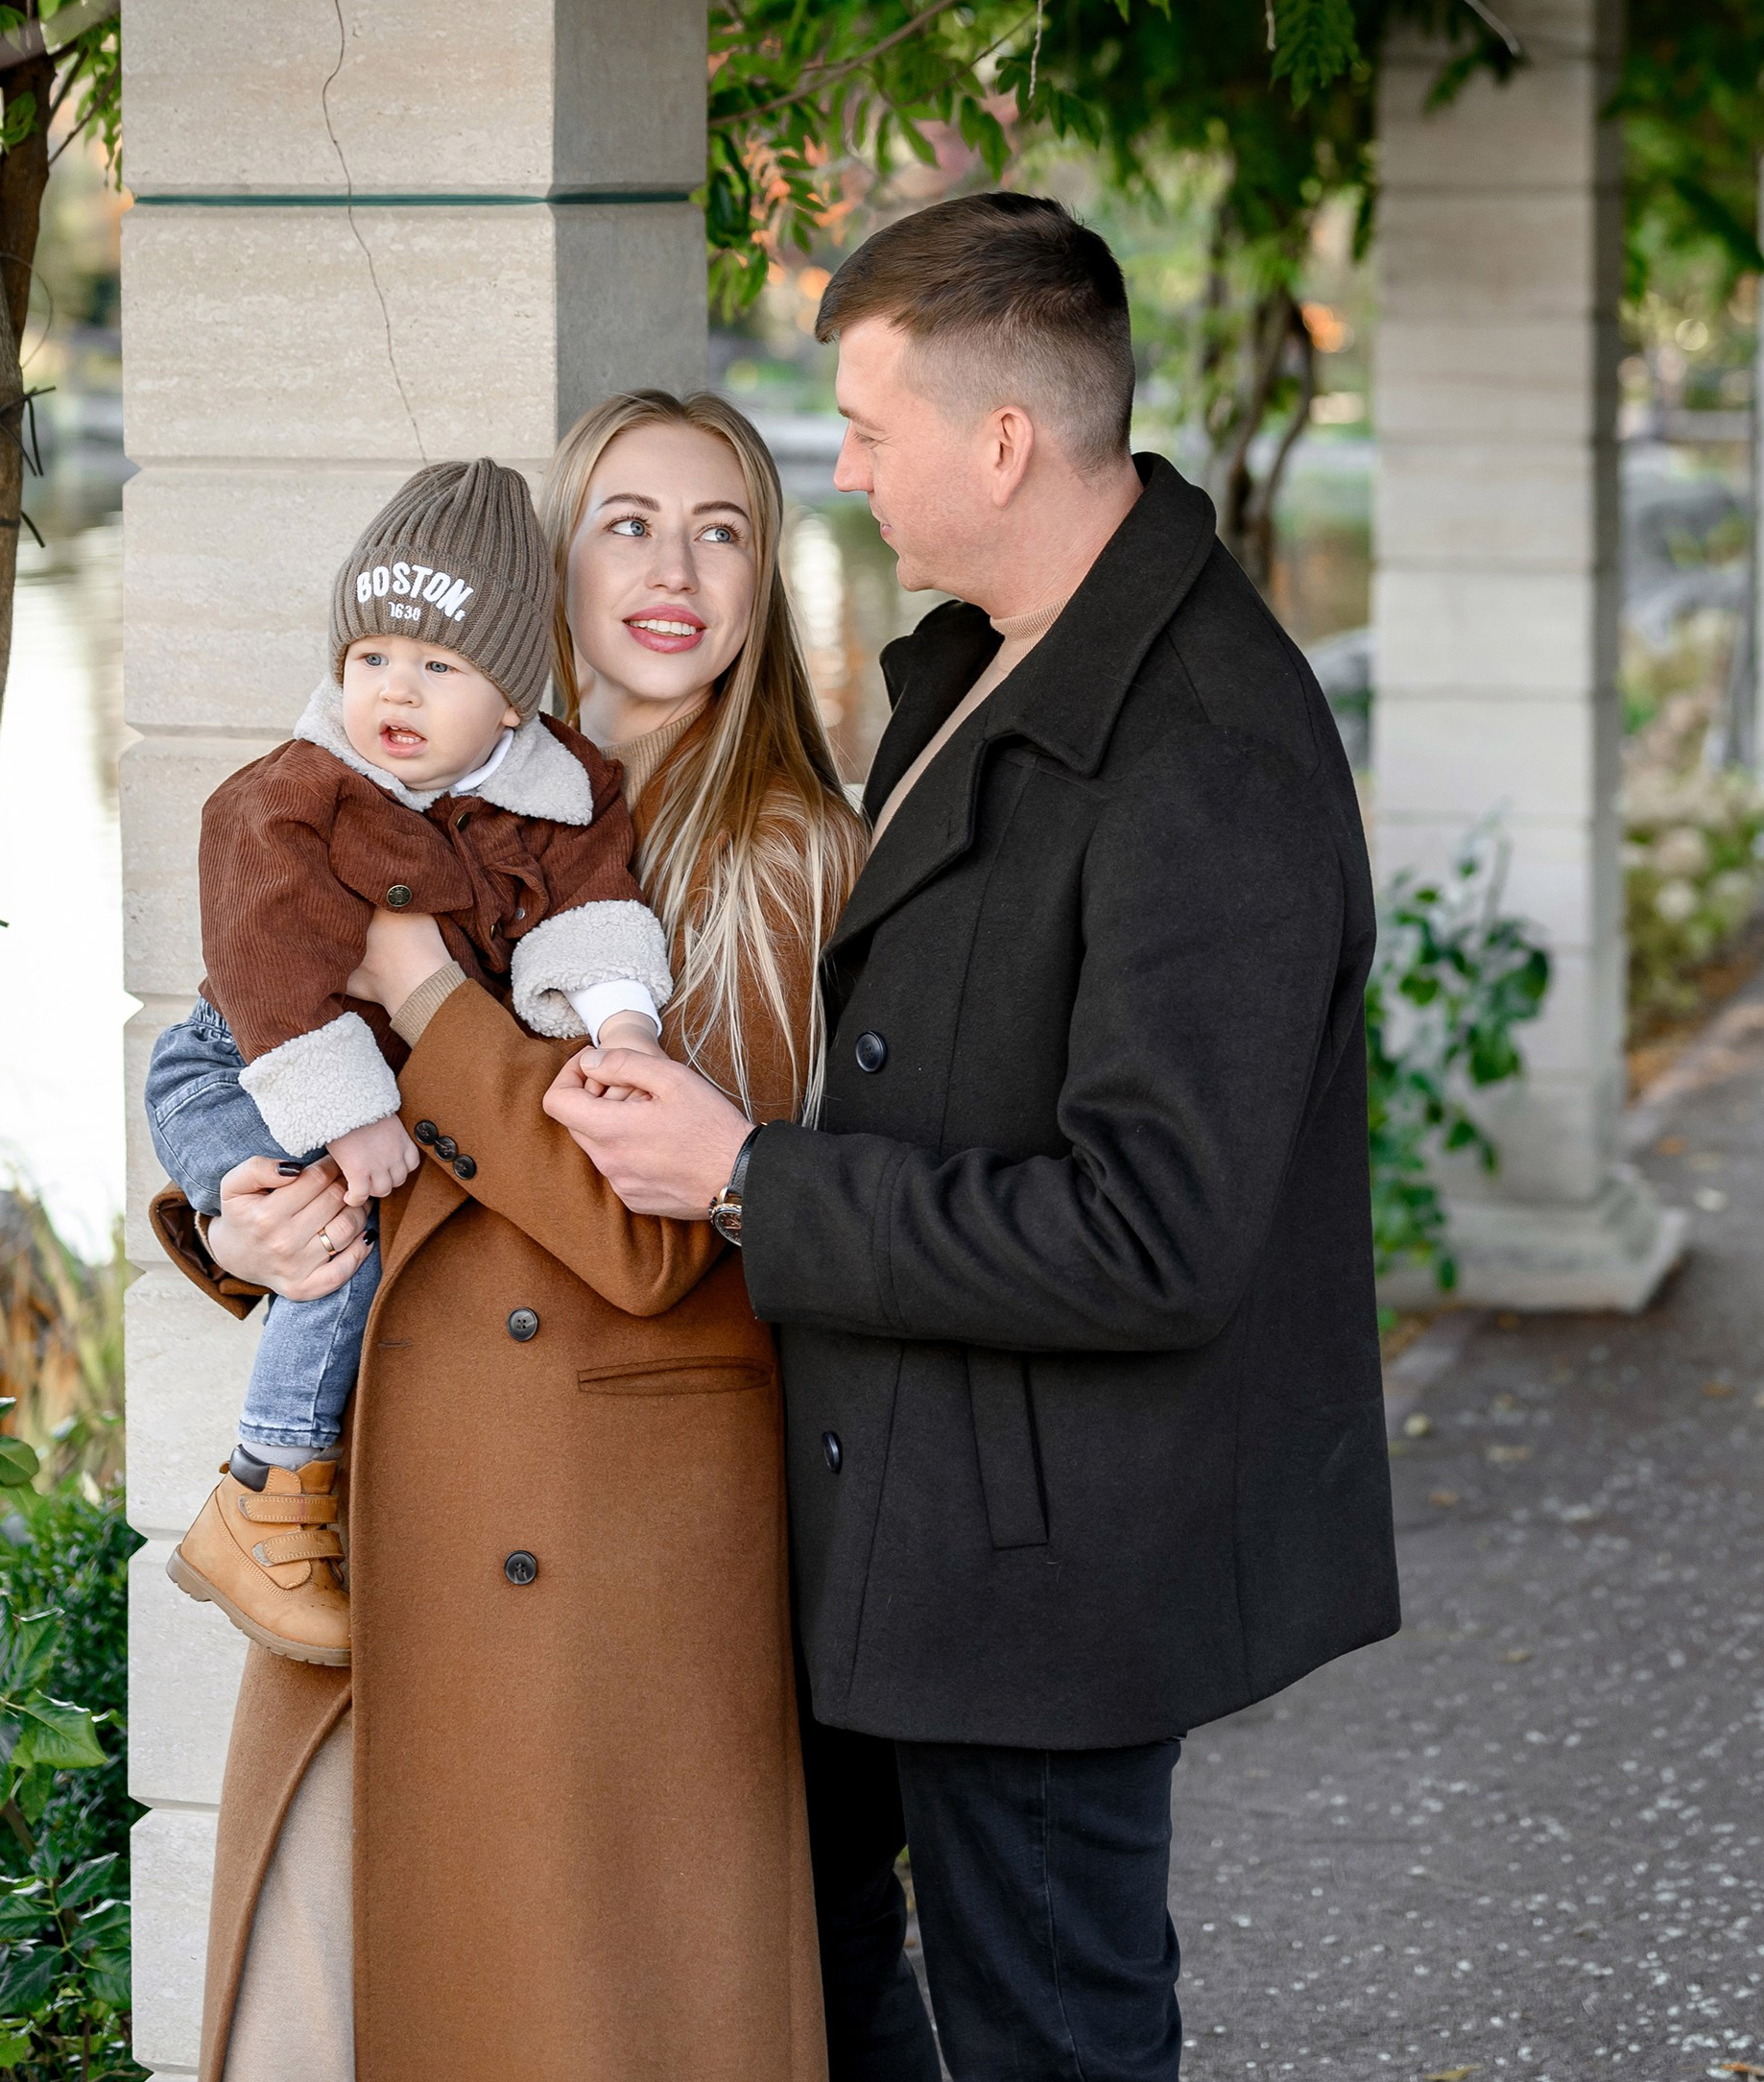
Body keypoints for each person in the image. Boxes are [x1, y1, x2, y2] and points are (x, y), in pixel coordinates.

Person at [549, 192, 1400, 2082]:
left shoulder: (1208, 757)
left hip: (1043, 1575)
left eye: (862, 425)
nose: (835, 469)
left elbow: (1154, 1234)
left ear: (999, 438)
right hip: (909, 1528)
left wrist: (751, 1179)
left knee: (1051, 2043)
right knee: (846, 2002)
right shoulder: (997, 653)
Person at [146, 392, 858, 2082]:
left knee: (559, 2016)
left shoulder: (771, 849)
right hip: (389, 1483)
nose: (671, 568)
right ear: (547, 569)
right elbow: (256, 1039)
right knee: (314, 2015)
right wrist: (249, 1211)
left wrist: (427, 995)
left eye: (722, 527)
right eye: (625, 520)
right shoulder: (434, 791)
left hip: (598, 1541)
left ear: (767, 579)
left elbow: (663, 1238)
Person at [151, 457, 672, 1663]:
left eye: (439, 666)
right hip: (238, 1061)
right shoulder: (295, 792)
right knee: (338, 1225)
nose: (395, 689)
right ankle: (271, 1488)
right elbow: (268, 964)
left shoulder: (560, 789)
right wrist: (342, 1114)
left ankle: (265, 1492)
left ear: (510, 700)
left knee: (328, 1227)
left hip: (347, 1079)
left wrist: (620, 1021)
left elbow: (590, 909)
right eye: (373, 655)